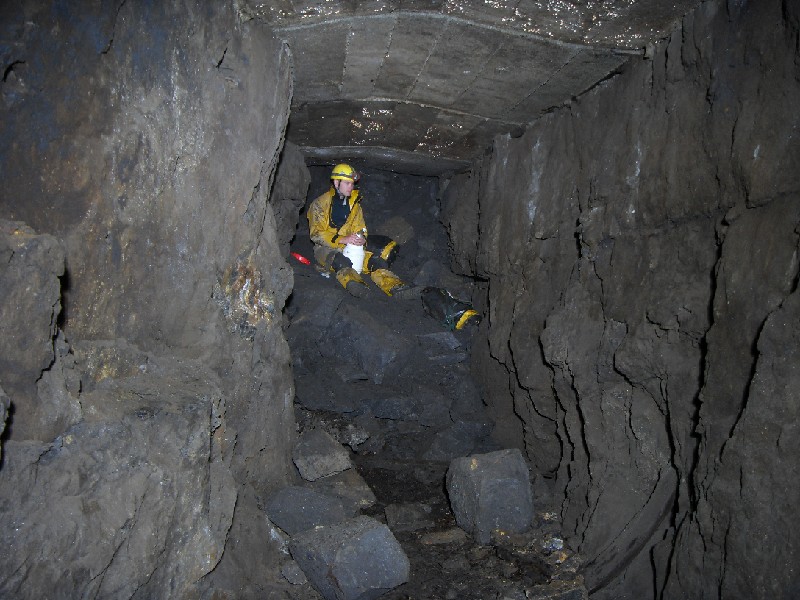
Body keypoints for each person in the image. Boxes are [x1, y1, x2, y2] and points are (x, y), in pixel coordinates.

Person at [307, 163, 407, 297]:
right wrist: (342, 239)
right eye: (347, 183)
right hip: (325, 249)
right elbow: (316, 234)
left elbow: (360, 227)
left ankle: (396, 287)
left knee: (376, 261)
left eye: (352, 183)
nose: (351, 187)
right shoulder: (319, 204)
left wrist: (361, 238)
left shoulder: (354, 205)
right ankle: (357, 287)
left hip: (350, 247)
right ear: (336, 182)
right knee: (340, 261)